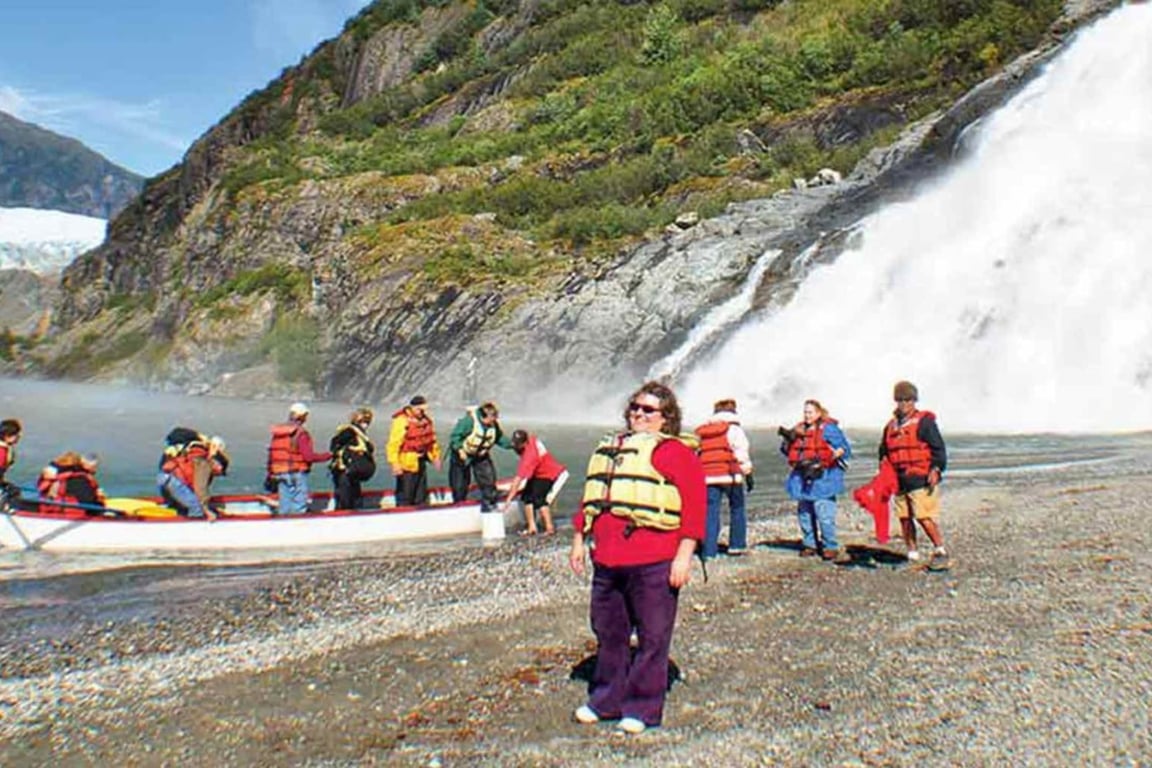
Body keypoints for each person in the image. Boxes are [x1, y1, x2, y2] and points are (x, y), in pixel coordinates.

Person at [569, 381, 706, 735]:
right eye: (635, 407)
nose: (639, 414)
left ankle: (643, 708)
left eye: (648, 410)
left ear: (666, 418)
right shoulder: (611, 450)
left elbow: (694, 507)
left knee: (653, 636)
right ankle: (605, 700)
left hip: (654, 560)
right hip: (608, 560)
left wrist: (684, 557)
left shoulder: (675, 453)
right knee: (609, 632)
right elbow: (592, 498)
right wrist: (578, 540)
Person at [879, 380, 949, 569]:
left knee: (923, 516)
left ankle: (940, 550)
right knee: (904, 517)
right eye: (900, 400)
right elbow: (884, 452)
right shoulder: (891, 427)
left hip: (920, 477)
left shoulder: (925, 423)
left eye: (907, 400)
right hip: (899, 480)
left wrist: (936, 469)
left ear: (914, 401)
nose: (903, 404)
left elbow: (938, 449)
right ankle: (912, 554)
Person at [781, 399, 852, 562]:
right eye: (805, 412)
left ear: (819, 413)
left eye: (810, 412)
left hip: (823, 477)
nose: (807, 415)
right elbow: (787, 451)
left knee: (824, 513)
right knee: (804, 513)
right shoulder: (799, 430)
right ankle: (810, 544)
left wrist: (836, 453)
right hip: (802, 477)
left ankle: (830, 546)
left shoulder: (828, 429)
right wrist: (788, 439)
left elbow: (845, 449)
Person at [694, 398, 754, 559]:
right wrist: (748, 473)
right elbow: (741, 452)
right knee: (737, 508)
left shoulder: (706, 431)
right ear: (733, 411)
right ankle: (736, 545)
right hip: (730, 475)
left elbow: (699, 453)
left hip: (709, 476)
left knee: (710, 511)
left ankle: (709, 550)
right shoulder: (734, 429)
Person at [267, 402, 331, 515]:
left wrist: (270, 473)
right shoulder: (301, 433)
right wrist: (328, 456)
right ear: (303, 417)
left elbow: (271, 454)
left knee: (284, 506)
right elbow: (308, 457)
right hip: (297, 472)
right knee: (299, 506)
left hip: (279, 472)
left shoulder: (279, 432)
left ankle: (283, 525)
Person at [448, 401, 512, 511]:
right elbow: (455, 437)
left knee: (488, 479)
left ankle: (490, 502)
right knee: (459, 484)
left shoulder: (493, 424)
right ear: (483, 416)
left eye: (495, 418)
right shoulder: (468, 422)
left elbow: (500, 438)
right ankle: (459, 505)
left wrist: (514, 445)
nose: (494, 421)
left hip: (481, 455)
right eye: (492, 418)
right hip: (462, 455)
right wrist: (460, 450)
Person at [506, 429, 569, 536]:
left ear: (524, 443)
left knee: (539, 499)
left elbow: (518, 479)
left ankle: (550, 528)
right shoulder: (531, 439)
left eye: (518, 445)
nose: (515, 447)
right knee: (527, 497)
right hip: (538, 472)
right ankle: (532, 527)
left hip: (549, 474)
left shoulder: (529, 457)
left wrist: (509, 499)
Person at [158, 430, 230, 519]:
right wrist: (206, 510)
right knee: (198, 509)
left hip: (165, 479)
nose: (218, 472)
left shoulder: (196, 452)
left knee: (181, 507)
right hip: (173, 482)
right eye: (219, 468)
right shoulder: (204, 462)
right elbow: (200, 488)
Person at [387, 396, 442, 507]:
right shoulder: (401, 421)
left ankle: (420, 510)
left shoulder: (425, 420)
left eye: (424, 410)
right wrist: (395, 463)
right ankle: (403, 513)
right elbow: (393, 444)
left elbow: (432, 441)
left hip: (420, 461)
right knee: (406, 494)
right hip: (406, 463)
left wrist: (435, 457)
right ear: (412, 407)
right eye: (420, 410)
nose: (422, 412)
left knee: (421, 493)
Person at [330, 407, 376, 510]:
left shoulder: (360, 434)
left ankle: (353, 512)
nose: (366, 424)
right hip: (345, 470)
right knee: (345, 498)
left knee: (354, 496)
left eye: (368, 421)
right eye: (364, 421)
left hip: (353, 470)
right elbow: (334, 446)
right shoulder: (349, 431)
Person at [37, 452, 106, 515]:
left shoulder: (50, 478)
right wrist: (99, 498)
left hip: (47, 511)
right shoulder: (78, 480)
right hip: (71, 516)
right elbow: (91, 506)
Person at [0, 418, 22, 501]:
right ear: (7, 436)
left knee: (14, 490)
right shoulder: (1, 451)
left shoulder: (6, 449)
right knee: (14, 492)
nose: (19, 436)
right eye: (17, 435)